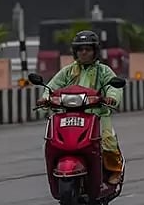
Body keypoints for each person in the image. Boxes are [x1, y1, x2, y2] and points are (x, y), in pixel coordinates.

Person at [38, 30, 124, 184]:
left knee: (107, 140)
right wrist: (45, 98)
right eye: (80, 49)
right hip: (70, 115)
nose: (84, 53)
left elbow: (114, 87)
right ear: (75, 52)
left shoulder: (103, 71)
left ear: (95, 51)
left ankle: (114, 170)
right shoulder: (68, 71)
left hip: (96, 115)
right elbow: (52, 87)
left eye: (88, 49)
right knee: (52, 141)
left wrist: (112, 98)